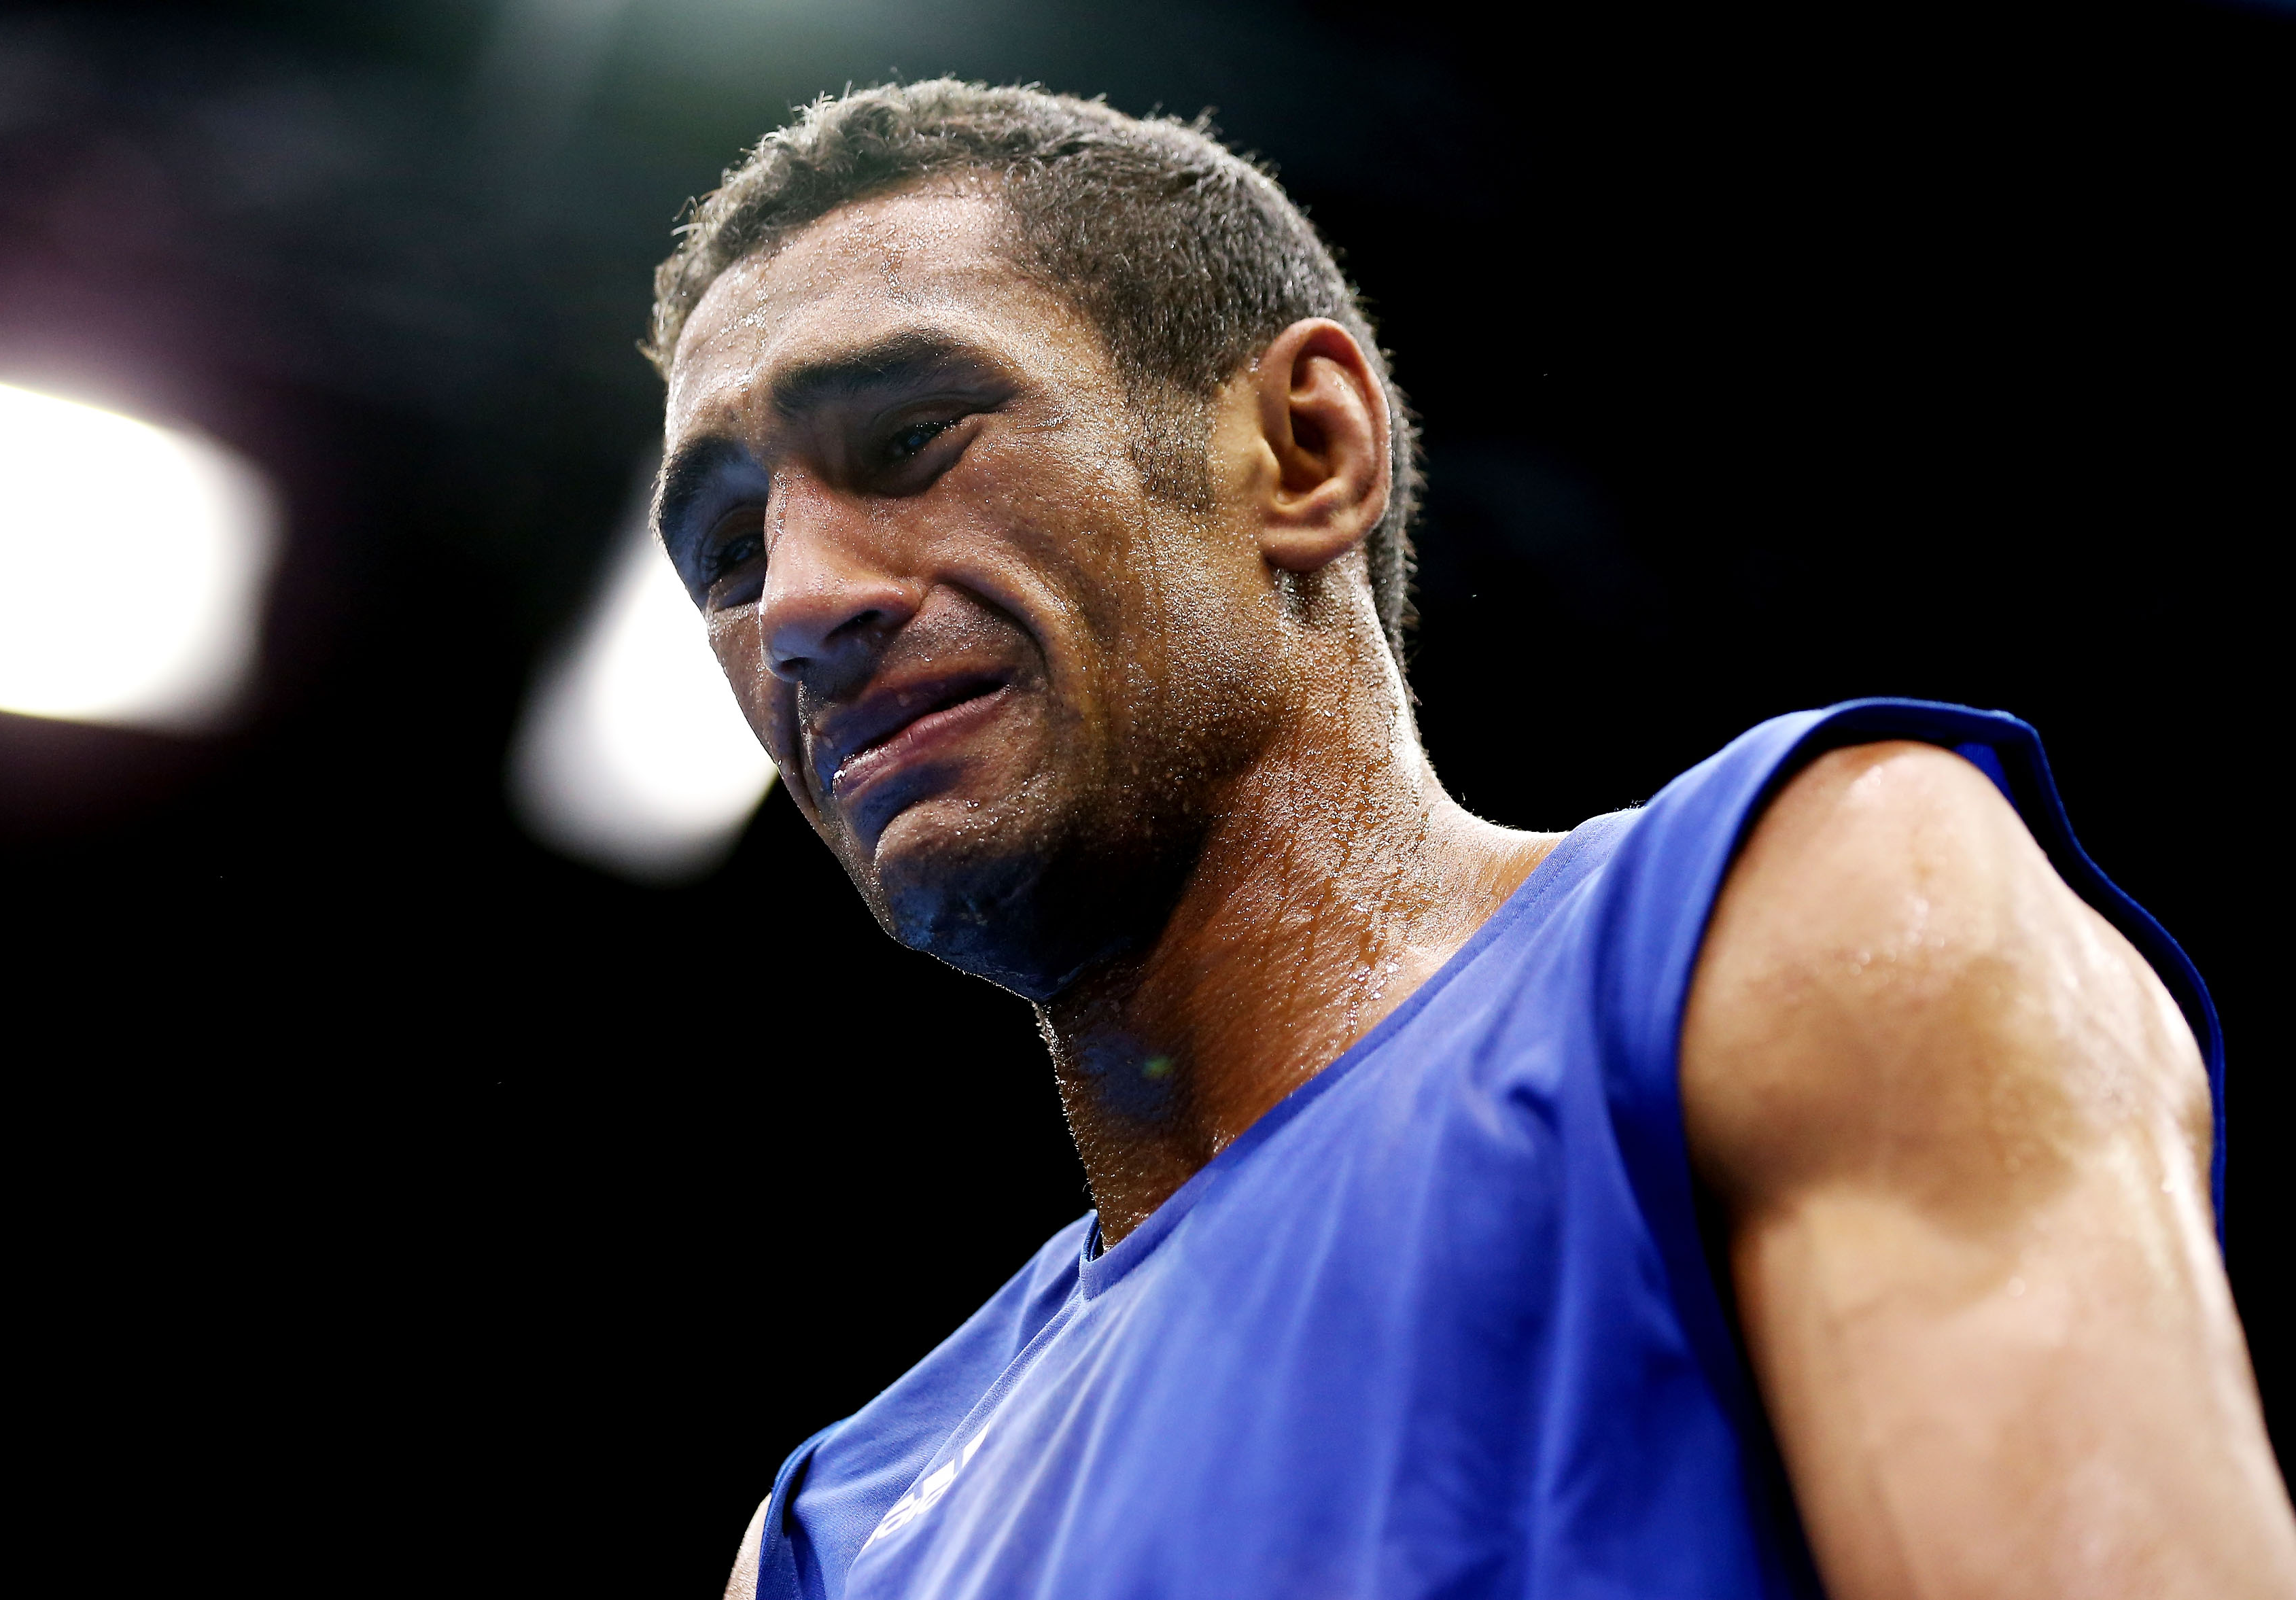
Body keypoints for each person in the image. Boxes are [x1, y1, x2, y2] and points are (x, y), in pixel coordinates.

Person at [643, 81, 2295, 1599]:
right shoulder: (842, 1529)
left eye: (911, 439)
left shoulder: (1797, 920)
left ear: (1305, 451)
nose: (794, 606)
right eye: (725, 547)